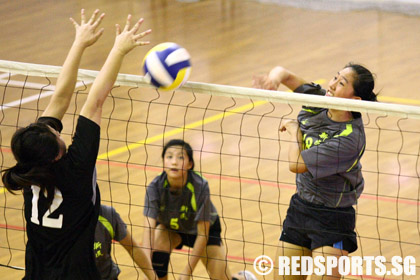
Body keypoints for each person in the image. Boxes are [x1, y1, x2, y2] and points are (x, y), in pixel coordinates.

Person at [1, 9, 151, 279]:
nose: (58, 131)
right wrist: (119, 49)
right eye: (56, 135)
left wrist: (79, 43)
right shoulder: (77, 167)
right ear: (56, 154)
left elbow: (59, 99)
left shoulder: (29, 169)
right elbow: (94, 100)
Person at [253, 63, 377, 280]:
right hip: (300, 209)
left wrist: (294, 130)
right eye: (335, 77)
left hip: (333, 219)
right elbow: (285, 73)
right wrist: (273, 79)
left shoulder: (350, 138)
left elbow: (297, 164)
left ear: (355, 100)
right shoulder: (319, 100)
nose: (332, 84)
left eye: (341, 83)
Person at [142, 139, 256, 280]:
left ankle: (242, 278)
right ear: (163, 161)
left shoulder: (200, 186)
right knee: (158, 242)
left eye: (180, 157)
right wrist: (147, 267)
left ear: (190, 164)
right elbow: (148, 230)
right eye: (169, 156)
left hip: (202, 232)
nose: (174, 162)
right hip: (172, 228)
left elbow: (203, 234)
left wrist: (187, 272)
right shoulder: (155, 187)